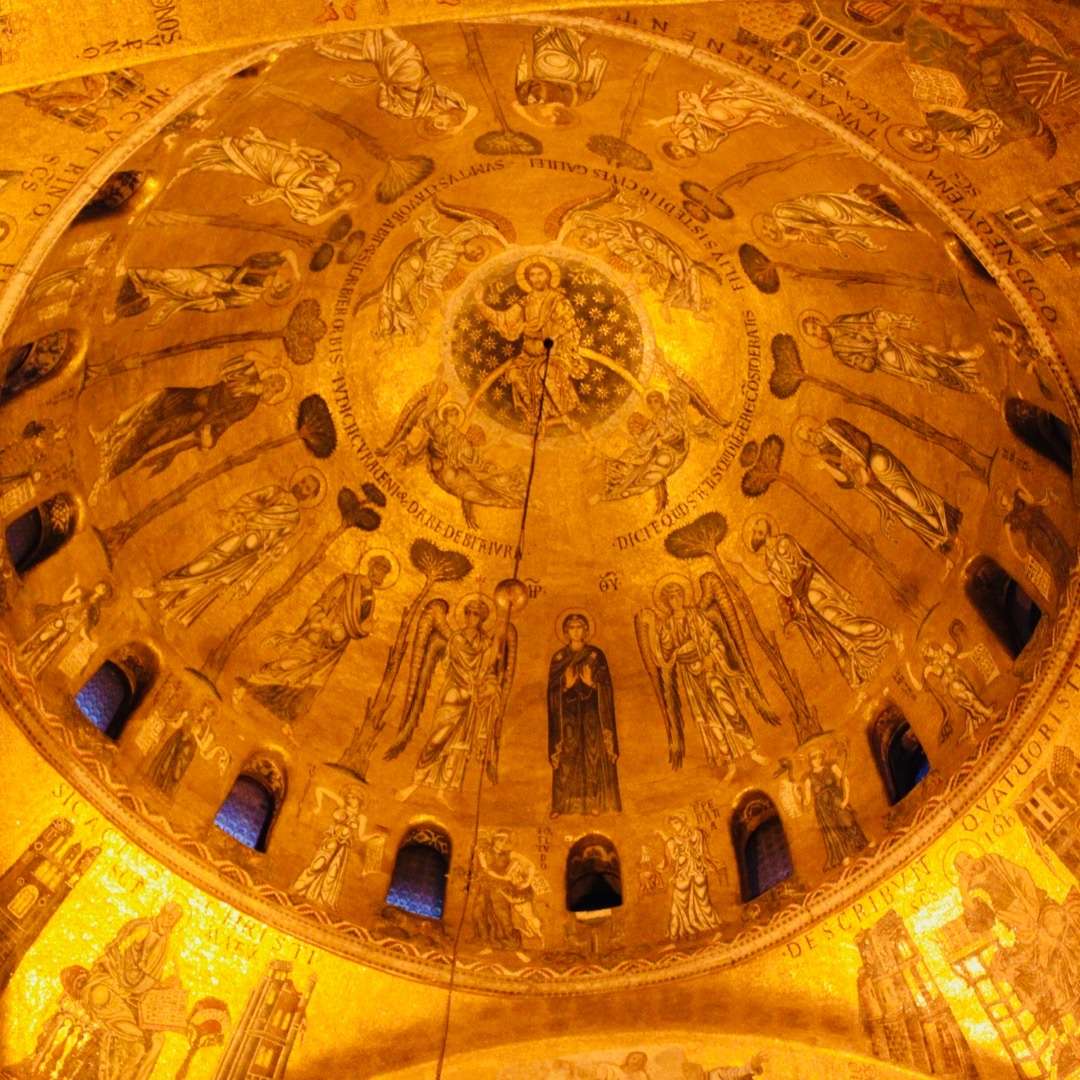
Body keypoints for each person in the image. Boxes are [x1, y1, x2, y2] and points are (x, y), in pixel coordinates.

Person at [88, 354, 286, 504]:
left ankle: (107, 475)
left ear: (272, 393)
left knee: (150, 440)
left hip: (195, 418)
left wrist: (210, 438)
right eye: (274, 379)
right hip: (192, 397)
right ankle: (107, 432)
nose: (272, 384)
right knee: (155, 398)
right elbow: (239, 361)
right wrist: (264, 362)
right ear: (270, 374)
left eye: (276, 387)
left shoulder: (249, 405)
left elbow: (226, 421)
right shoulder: (250, 374)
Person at [136, 472, 323, 628]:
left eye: (307, 488)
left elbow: (278, 545)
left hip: (249, 557)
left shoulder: (294, 519)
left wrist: (265, 558)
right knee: (203, 565)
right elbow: (247, 500)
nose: (301, 486)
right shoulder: (275, 492)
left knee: (211, 584)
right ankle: (159, 588)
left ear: (310, 496)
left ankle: (171, 610)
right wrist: (245, 515)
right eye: (303, 481)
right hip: (239, 535)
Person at [238, 553, 394, 723]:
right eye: (377, 568)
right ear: (370, 566)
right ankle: (246, 686)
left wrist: (366, 630)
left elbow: (362, 626)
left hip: (334, 648)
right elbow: (322, 603)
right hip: (318, 634)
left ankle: (288, 722)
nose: (377, 574)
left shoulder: (371, 599)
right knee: (290, 664)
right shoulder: (347, 581)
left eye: (382, 572)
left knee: (313, 684)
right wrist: (323, 621)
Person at [745, 515, 890, 688]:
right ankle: (855, 675)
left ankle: (880, 635)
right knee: (830, 639)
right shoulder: (769, 560)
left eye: (758, 529)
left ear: (766, 530)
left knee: (840, 622)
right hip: (803, 599)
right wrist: (743, 564)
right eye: (754, 531)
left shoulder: (783, 542)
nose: (755, 531)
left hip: (812, 586)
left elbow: (805, 563)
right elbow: (773, 581)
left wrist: (837, 590)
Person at [473, 257, 587, 427]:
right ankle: (536, 418)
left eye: (540, 274)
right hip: (528, 355)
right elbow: (503, 319)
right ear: (527, 279)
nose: (536, 278)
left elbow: (569, 325)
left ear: (548, 276)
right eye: (532, 275)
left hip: (554, 352)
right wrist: (480, 303)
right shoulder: (525, 302)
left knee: (543, 372)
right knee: (513, 374)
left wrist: (554, 337)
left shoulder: (557, 300)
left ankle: (565, 416)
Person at [181, 127, 354, 225]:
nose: (341, 191)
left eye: (342, 194)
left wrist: (337, 211)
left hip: (270, 176)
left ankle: (195, 165)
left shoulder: (313, 201)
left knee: (236, 166)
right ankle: (207, 142)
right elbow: (321, 155)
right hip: (283, 161)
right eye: (344, 188)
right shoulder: (332, 170)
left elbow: (310, 222)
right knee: (246, 148)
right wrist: (300, 150)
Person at [315, 28, 473, 135]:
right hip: (417, 72)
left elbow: (385, 105)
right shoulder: (443, 101)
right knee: (398, 47)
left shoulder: (410, 113)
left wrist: (384, 89)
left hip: (399, 78)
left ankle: (360, 29)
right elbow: (472, 108)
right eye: (447, 123)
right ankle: (377, 22)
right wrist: (462, 125)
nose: (441, 125)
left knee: (383, 50)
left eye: (442, 128)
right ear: (448, 116)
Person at [800, 308, 986, 396]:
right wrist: (873, 343)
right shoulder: (839, 352)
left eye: (815, 328)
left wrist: (878, 317)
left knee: (930, 351)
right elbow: (866, 365)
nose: (818, 334)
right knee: (930, 371)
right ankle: (964, 384)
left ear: (819, 322)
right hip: (886, 357)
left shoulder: (840, 320)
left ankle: (962, 358)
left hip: (890, 341)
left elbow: (863, 317)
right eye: (813, 334)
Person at [548, 613, 620, 816]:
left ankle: (594, 802)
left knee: (592, 755)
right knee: (567, 756)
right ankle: (562, 805)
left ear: (586, 630)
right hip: (568, 716)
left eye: (580, 627)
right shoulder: (559, 658)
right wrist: (565, 685)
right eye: (571, 627)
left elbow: (606, 686)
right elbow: (552, 691)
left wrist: (591, 683)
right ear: (565, 631)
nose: (576, 631)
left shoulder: (596, 655)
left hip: (592, 714)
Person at [114, 251, 297, 325]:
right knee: (170, 279)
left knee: (166, 285)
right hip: (219, 275)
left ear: (274, 291)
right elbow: (285, 252)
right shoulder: (267, 267)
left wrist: (207, 296)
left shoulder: (250, 297)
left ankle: (121, 304)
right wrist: (296, 273)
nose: (280, 281)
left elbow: (222, 304)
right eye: (285, 280)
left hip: (207, 291)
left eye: (281, 286)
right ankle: (131, 276)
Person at [291, 787, 380, 910]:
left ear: (359, 800)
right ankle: (299, 887)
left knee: (332, 873)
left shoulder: (361, 818)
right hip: (330, 842)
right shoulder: (341, 804)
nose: (350, 799)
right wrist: (318, 806)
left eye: (353, 797)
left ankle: (322, 900)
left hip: (343, 848)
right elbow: (320, 789)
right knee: (317, 865)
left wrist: (375, 836)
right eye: (349, 796)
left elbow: (361, 837)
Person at [654, 78, 782, 159]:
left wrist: (658, 122)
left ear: (673, 144)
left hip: (709, 113)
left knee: (726, 99)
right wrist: (695, 117)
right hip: (722, 121)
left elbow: (681, 116)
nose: (680, 150)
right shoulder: (703, 147)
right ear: (685, 156)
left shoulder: (679, 133)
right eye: (680, 154)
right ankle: (765, 101)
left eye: (675, 149)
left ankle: (758, 95)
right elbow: (720, 133)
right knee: (729, 109)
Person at [471, 829, 545, 948]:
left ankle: (511, 942)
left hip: (501, 890)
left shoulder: (509, 854)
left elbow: (531, 865)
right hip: (485, 887)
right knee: (478, 913)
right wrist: (503, 877)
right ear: (494, 840)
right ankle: (484, 940)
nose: (503, 843)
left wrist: (527, 882)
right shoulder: (484, 853)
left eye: (506, 841)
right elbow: (485, 869)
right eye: (500, 840)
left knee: (502, 916)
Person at [803, 747, 869, 868]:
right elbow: (806, 801)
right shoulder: (808, 779)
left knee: (848, 821)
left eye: (819, 756)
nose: (817, 760)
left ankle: (861, 844)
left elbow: (845, 780)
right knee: (833, 831)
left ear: (822, 757)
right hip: (822, 808)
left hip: (837, 799)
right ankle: (844, 856)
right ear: (810, 760)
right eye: (814, 757)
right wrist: (796, 794)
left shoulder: (832, 767)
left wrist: (846, 799)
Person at [659, 814, 722, 940]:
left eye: (676, 822)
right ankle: (681, 931)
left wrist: (714, 863)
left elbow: (703, 852)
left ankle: (715, 928)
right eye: (672, 824)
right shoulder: (676, 839)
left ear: (683, 821)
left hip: (698, 870)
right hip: (683, 873)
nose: (674, 826)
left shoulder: (696, 834)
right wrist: (665, 839)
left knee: (703, 899)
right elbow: (676, 857)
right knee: (679, 900)